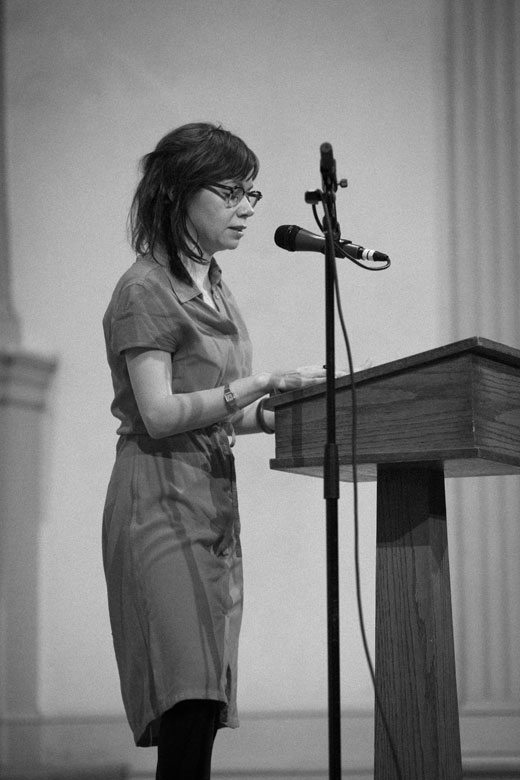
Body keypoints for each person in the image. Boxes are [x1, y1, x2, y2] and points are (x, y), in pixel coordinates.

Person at [102, 122, 327, 779]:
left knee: (204, 701)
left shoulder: (215, 284)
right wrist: (259, 383)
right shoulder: (144, 288)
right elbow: (159, 413)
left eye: (251, 194)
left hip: (211, 497)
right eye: (230, 193)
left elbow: (219, 411)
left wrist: (284, 412)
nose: (247, 208)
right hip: (157, 500)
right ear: (177, 193)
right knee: (189, 695)